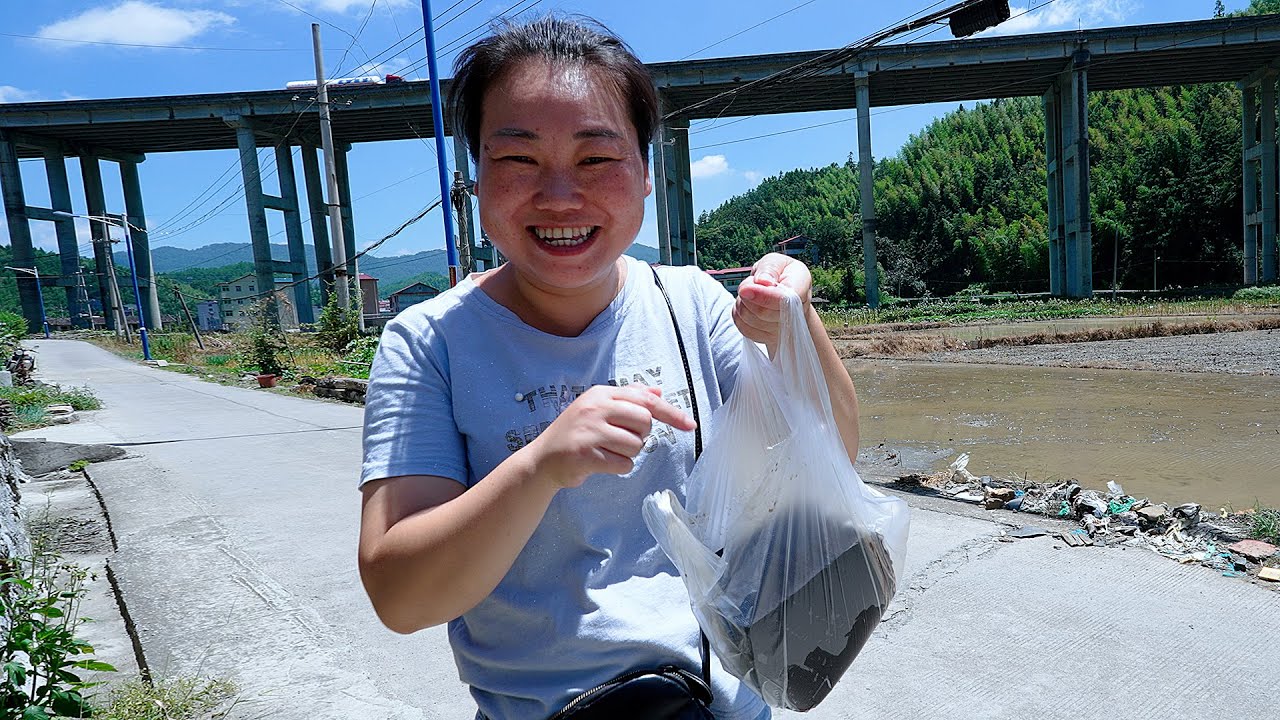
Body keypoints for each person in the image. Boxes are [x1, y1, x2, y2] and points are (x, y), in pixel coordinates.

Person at [357, 14, 861, 720]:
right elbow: (401, 595)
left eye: (596, 158)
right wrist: (541, 465)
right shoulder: (428, 342)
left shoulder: (692, 304)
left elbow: (830, 460)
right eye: (518, 159)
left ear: (646, 175)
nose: (560, 195)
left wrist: (796, 327)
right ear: (473, 180)